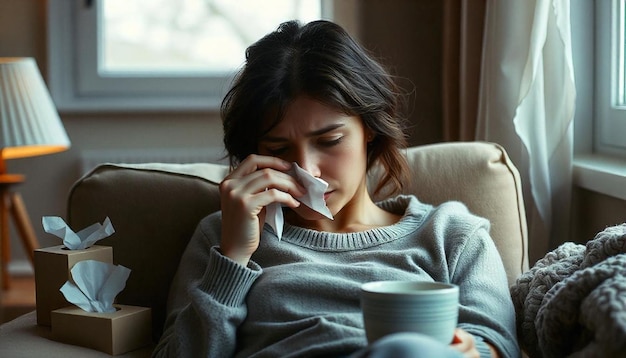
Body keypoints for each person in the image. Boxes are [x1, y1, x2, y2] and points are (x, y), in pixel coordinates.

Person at [153, 20, 519, 358]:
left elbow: (496, 344)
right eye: (279, 151)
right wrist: (233, 258)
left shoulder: (451, 236)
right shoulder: (222, 235)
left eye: (329, 140)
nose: (307, 171)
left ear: (369, 129)